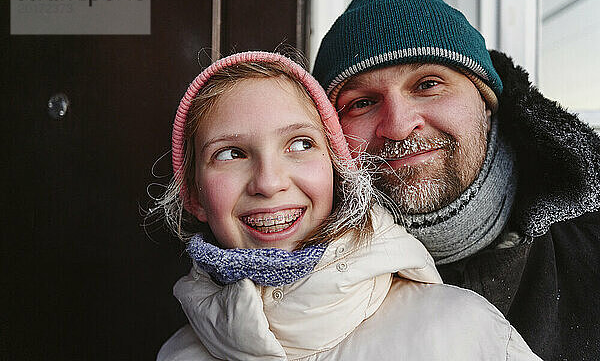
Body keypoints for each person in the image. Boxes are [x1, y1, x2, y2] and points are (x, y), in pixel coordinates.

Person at [155, 51, 540, 360]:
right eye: (230, 154)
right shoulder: (177, 353)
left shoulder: (460, 331)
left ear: (337, 170)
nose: (269, 182)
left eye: (301, 144)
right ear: (193, 195)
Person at [312, 0, 600, 361]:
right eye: (362, 102)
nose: (398, 125)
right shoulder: (302, 294)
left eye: (428, 84)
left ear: (485, 101)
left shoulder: (588, 252)